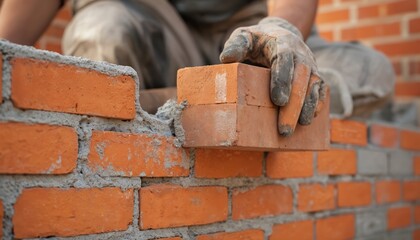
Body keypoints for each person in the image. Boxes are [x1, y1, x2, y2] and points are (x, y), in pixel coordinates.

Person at [0, 0, 395, 134]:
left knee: (373, 71)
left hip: (253, 34)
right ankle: (213, 96)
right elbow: (10, 41)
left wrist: (282, 28)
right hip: (165, 33)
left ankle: (244, 91)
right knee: (103, 32)